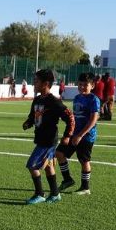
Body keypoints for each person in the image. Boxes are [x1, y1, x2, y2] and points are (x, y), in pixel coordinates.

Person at [21, 69, 74, 205]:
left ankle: (39, 194)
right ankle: (55, 194)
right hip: (40, 138)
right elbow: (33, 116)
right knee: (49, 166)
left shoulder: (54, 101)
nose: (34, 83)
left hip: (48, 140)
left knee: (32, 166)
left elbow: (70, 117)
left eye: (36, 81)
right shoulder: (37, 99)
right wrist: (28, 122)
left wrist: (67, 135)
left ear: (46, 84)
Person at [56, 73, 100, 196]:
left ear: (92, 85)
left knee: (84, 160)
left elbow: (93, 120)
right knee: (59, 153)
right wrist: (70, 134)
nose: (82, 87)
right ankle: (68, 180)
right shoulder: (77, 98)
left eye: (86, 85)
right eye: (80, 84)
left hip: (86, 136)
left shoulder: (93, 99)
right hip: (74, 134)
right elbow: (74, 118)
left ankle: (85, 188)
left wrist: (80, 135)